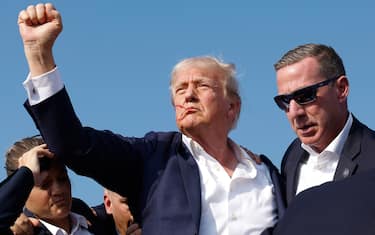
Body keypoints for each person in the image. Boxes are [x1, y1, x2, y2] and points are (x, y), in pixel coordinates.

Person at [18, 3, 285, 235]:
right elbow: (73, 145)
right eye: (180, 89)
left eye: (202, 86)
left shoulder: (267, 173)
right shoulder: (152, 158)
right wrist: (39, 55)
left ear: (232, 107)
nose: (188, 95)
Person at [273, 43, 375, 205]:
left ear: (341, 89)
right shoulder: (292, 157)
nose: (294, 112)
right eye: (284, 101)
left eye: (305, 95)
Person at [0, 136, 105, 235]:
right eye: (45, 184)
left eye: (62, 179)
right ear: (21, 191)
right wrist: (25, 173)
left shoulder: (94, 219)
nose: (59, 190)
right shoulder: (19, 231)